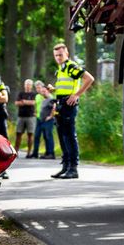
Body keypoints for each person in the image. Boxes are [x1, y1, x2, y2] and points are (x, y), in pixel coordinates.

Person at [50, 42, 94, 179]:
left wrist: (77, 95)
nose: (58, 57)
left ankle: (73, 168)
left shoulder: (71, 66)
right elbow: (65, 87)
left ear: (67, 54)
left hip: (69, 105)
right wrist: (54, 91)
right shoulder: (61, 68)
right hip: (60, 104)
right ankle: (65, 167)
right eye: (56, 55)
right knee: (63, 135)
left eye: (60, 55)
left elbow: (89, 78)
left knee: (69, 136)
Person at [32, 82, 57, 159]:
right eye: (42, 92)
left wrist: (50, 116)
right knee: (46, 137)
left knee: (48, 136)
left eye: (44, 91)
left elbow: (54, 107)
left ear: (47, 91)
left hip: (48, 121)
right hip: (41, 120)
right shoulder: (44, 99)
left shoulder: (51, 98)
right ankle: (47, 153)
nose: (42, 93)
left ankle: (51, 153)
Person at [14, 78, 37, 156]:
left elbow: (33, 102)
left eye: (29, 85)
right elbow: (16, 103)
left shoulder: (33, 94)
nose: (27, 86)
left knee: (30, 134)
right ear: (24, 85)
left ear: (31, 86)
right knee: (18, 134)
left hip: (30, 116)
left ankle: (29, 152)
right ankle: (15, 151)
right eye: (26, 85)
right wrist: (26, 102)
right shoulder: (21, 93)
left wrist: (24, 102)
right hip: (21, 116)